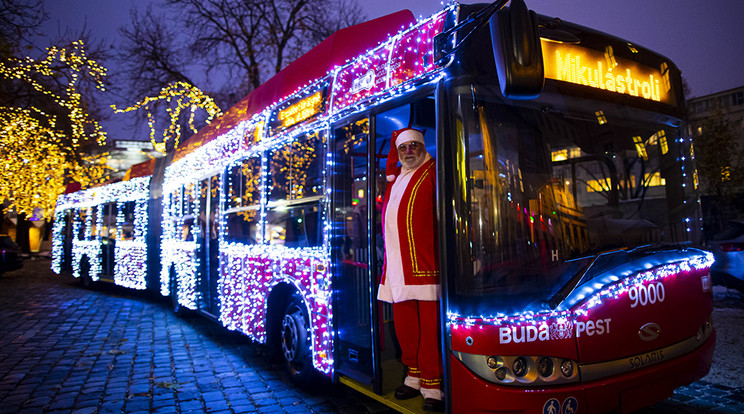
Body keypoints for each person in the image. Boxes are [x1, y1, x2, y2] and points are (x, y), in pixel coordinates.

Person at [377, 128, 443, 412]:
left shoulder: (434, 171)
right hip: (397, 266)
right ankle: (413, 376)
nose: (408, 152)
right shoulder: (397, 178)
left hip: (425, 266)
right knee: (405, 328)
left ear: (422, 147)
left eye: (414, 146)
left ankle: (434, 386)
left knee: (430, 329)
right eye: (404, 148)